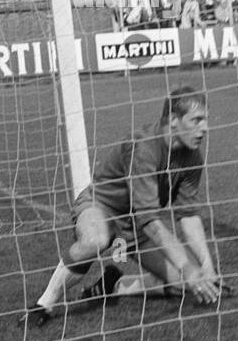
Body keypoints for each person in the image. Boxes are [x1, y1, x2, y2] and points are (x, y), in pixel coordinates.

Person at [20, 87, 221, 327]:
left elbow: (187, 215)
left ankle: (113, 286)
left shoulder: (193, 158)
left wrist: (206, 267)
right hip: (101, 207)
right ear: (175, 121)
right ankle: (44, 304)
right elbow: (151, 222)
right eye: (197, 120)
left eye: (205, 120)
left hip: (136, 224)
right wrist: (188, 266)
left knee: (190, 284)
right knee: (96, 240)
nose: (205, 128)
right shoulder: (143, 147)